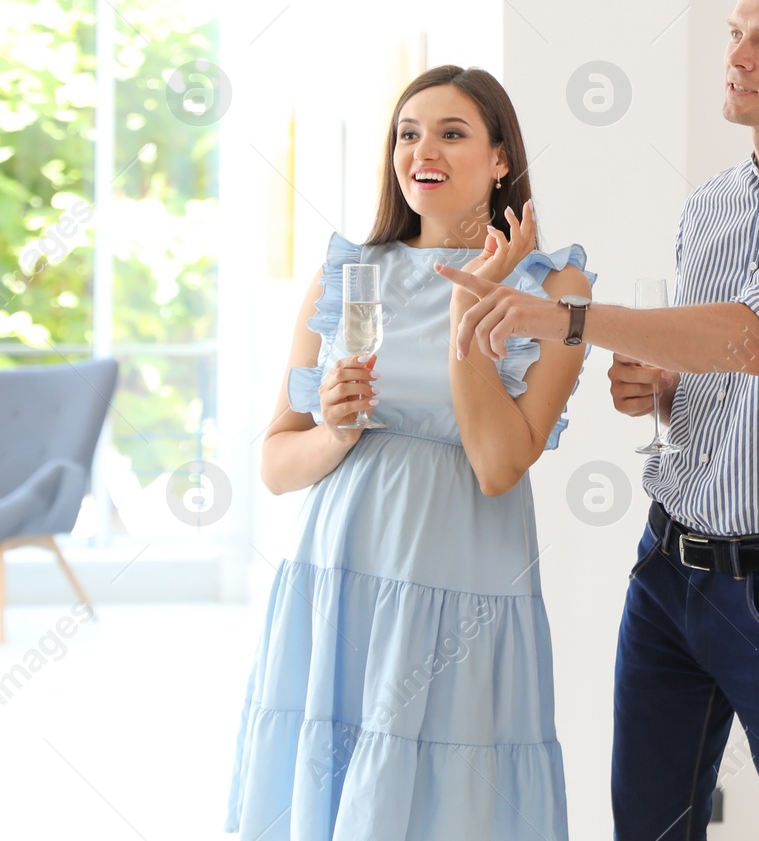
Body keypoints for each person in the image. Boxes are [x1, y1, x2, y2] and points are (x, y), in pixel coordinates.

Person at [438, 0, 759, 840]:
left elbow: (755, 338)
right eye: (734, 32)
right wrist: (665, 391)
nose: (736, 55)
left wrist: (568, 319)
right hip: (667, 570)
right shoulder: (711, 206)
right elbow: (717, 361)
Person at [227, 65, 591, 840]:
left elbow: (499, 464)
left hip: (461, 589)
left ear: (500, 158)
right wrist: (333, 429)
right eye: (408, 132)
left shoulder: (553, 288)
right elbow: (275, 463)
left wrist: (468, 302)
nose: (422, 150)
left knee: (452, 803)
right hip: (343, 576)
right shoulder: (348, 276)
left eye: (452, 132)